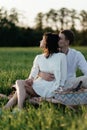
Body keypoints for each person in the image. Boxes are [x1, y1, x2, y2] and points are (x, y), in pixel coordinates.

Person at [4, 32, 67, 109]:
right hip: (37, 85)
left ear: (47, 43)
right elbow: (34, 71)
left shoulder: (61, 57)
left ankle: (17, 108)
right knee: (19, 85)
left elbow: (63, 76)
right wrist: (30, 79)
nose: (40, 41)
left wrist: (60, 89)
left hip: (51, 88)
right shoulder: (39, 57)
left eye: (42, 39)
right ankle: (8, 108)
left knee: (19, 86)